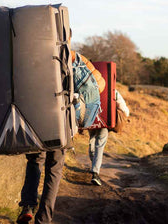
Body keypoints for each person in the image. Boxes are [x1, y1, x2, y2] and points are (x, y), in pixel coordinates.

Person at [16, 31, 105, 224]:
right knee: (54, 170)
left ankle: (27, 206)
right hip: (61, 123)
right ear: (68, 37)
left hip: (36, 120)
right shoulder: (74, 58)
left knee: (34, 163)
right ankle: (44, 218)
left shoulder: (32, 55)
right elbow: (101, 85)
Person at [88, 90, 130, 186]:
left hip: (91, 120)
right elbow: (124, 109)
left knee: (92, 140)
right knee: (100, 145)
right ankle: (95, 172)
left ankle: (94, 163)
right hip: (104, 122)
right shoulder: (113, 91)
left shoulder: (89, 88)